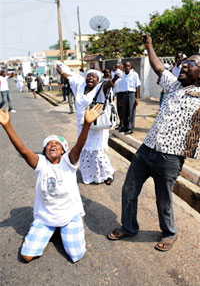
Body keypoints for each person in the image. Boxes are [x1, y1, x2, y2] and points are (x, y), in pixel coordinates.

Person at [107, 34, 200, 252]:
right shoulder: (175, 85)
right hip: (146, 148)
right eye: (184, 63)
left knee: (163, 199)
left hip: (170, 157)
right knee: (129, 189)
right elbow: (159, 67)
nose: (184, 66)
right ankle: (128, 227)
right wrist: (149, 46)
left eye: (191, 64)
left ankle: (169, 232)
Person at [0, 103, 103, 262]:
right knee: (26, 256)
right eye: (49, 143)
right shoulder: (40, 163)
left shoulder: (69, 162)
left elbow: (79, 145)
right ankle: (53, 229)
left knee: (76, 255)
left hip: (69, 216)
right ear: (44, 151)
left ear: (63, 150)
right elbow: (23, 150)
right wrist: (7, 126)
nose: (53, 145)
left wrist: (87, 124)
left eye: (57, 144)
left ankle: (64, 228)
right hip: (45, 218)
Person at [56, 64, 118, 185]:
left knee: (97, 151)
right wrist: (60, 70)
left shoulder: (100, 88)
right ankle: (90, 176)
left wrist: (114, 79)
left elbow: (107, 84)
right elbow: (68, 76)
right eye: (89, 75)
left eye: (94, 76)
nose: (90, 78)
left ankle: (107, 173)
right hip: (82, 125)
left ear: (98, 79)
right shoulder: (80, 86)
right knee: (84, 149)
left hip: (96, 125)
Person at [119, 62, 141, 135]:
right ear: (123, 67)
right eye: (125, 66)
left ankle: (130, 128)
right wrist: (120, 98)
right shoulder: (122, 75)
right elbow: (121, 87)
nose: (127, 67)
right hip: (124, 94)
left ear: (130, 67)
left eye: (128, 66)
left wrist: (137, 97)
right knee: (124, 112)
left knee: (131, 112)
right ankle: (125, 127)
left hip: (131, 94)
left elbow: (137, 86)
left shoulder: (134, 74)